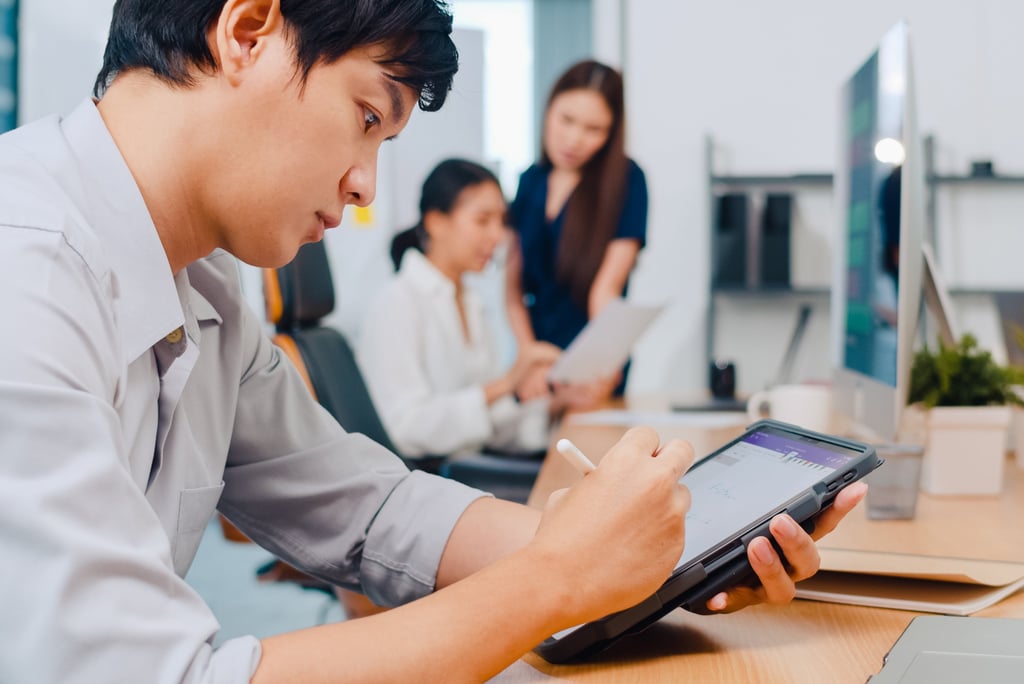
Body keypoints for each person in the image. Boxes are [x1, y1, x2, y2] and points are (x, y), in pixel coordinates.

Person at [0, 2, 865, 682]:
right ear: (247, 31)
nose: (365, 184)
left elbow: (369, 508)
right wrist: (554, 579)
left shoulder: (210, 290)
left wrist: (649, 560)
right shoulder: (24, 268)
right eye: (367, 117)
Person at [360, 159, 560, 459]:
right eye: (483, 221)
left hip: (473, 469)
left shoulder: (471, 301)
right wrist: (505, 384)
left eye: (501, 222)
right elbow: (404, 428)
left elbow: (489, 423)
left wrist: (555, 401)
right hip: (431, 481)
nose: (497, 236)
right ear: (436, 222)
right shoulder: (398, 302)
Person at [506, 59, 647, 405]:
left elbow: (606, 289)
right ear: (549, 108)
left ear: (611, 132)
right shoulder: (530, 182)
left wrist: (603, 360)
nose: (574, 139)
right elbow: (513, 292)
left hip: (595, 363)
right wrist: (530, 359)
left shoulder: (627, 181)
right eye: (566, 120)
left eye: (594, 129)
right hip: (539, 366)